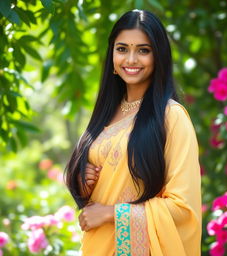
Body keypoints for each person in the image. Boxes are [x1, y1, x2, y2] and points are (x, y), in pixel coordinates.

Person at [65, 9, 201, 256]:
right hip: (96, 247)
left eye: (143, 50)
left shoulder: (171, 117)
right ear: (112, 56)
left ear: (158, 56)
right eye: (122, 49)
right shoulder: (106, 115)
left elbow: (183, 208)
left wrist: (111, 213)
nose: (131, 59)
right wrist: (81, 182)